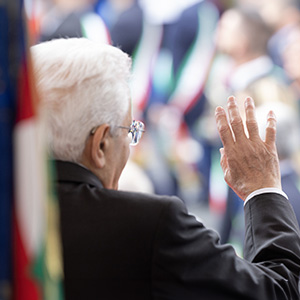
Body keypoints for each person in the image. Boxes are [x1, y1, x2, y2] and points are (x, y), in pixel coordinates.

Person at [31, 37, 300, 300]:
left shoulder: (14, 215)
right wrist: (263, 189)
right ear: (100, 145)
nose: (130, 145)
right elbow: (280, 290)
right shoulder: (150, 225)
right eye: (130, 131)